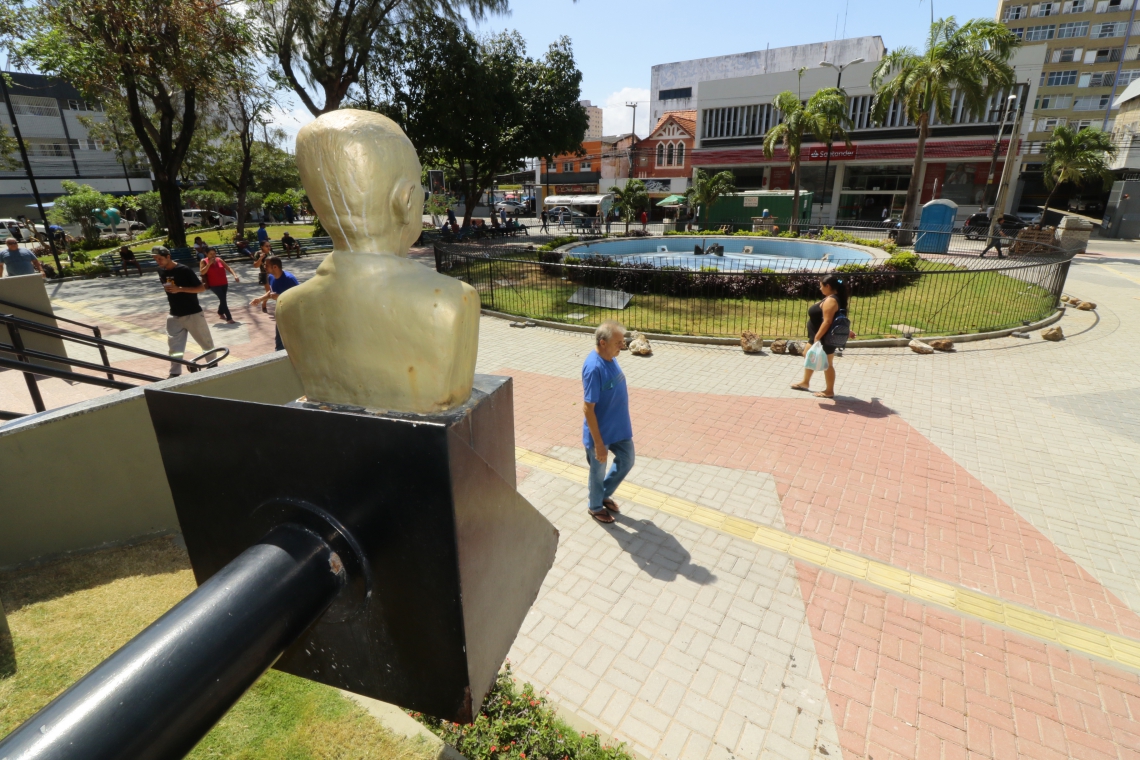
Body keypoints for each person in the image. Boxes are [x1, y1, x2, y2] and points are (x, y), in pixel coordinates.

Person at [582, 320, 636, 525]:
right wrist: (598, 444)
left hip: (620, 428)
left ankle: (602, 493)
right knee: (597, 472)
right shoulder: (593, 368)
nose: (622, 346)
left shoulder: (611, 357)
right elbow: (588, 408)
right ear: (603, 343)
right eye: (618, 342)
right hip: (601, 433)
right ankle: (595, 506)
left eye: (622, 342)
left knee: (627, 460)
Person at [152, 246, 214, 378]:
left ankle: (213, 366)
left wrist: (180, 289)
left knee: (206, 343)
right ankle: (174, 373)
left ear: (168, 257)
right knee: (174, 347)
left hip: (193, 313)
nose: (158, 261)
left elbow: (201, 288)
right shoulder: (160, 271)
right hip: (174, 314)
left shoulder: (184, 269)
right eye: (156, 259)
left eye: (160, 258)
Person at [791, 274, 849, 399]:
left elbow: (828, 321)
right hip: (818, 336)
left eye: (821, 286)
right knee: (808, 355)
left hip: (823, 338)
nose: (820, 288)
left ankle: (829, 391)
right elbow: (836, 319)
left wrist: (818, 337)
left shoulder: (831, 300)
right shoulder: (830, 298)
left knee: (827, 364)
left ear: (828, 286)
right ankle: (805, 382)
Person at [250, 256, 299, 351]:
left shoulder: (289, 279)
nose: (264, 267)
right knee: (279, 339)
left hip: (294, 313)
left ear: (275, 267)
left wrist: (280, 296)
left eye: (267, 265)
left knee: (295, 338)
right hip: (282, 312)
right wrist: (260, 299)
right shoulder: (271, 277)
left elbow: (299, 297)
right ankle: (279, 354)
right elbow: (272, 293)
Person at [199, 246, 240, 323]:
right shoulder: (203, 261)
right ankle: (229, 317)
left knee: (223, 299)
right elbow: (202, 272)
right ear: (206, 254)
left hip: (224, 283)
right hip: (213, 285)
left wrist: (235, 275)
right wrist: (209, 264)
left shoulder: (219, 260)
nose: (213, 255)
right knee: (223, 299)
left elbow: (228, 268)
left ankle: (220, 312)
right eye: (210, 254)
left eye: (214, 253)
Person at [252, 240, 272, 312]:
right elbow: (255, 265)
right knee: (269, 291)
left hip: (273, 274)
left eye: (269, 246)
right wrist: (260, 258)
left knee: (274, 290)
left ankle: (264, 303)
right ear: (262, 247)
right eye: (266, 246)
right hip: (265, 274)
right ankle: (264, 304)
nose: (268, 247)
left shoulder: (271, 253)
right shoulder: (258, 253)